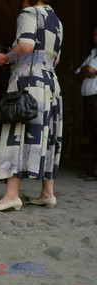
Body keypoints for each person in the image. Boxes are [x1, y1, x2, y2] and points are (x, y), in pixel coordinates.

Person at [0, 0, 63, 211]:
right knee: (47, 136)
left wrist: (5, 58)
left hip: (28, 82)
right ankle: (47, 193)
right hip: (50, 83)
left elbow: (26, 46)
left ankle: (11, 195)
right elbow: (56, 59)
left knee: (16, 133)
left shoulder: (28, 13)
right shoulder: (56, 20)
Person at [75, 26, 97, 181]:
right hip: (90, 100)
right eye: (95, 34)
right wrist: (87, 71)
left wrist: (88, 71)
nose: (96, 37)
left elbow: (89, 69)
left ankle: (94, 171)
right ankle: (92, 170)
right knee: (92, 134)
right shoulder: (93, 53)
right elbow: (79, 73)